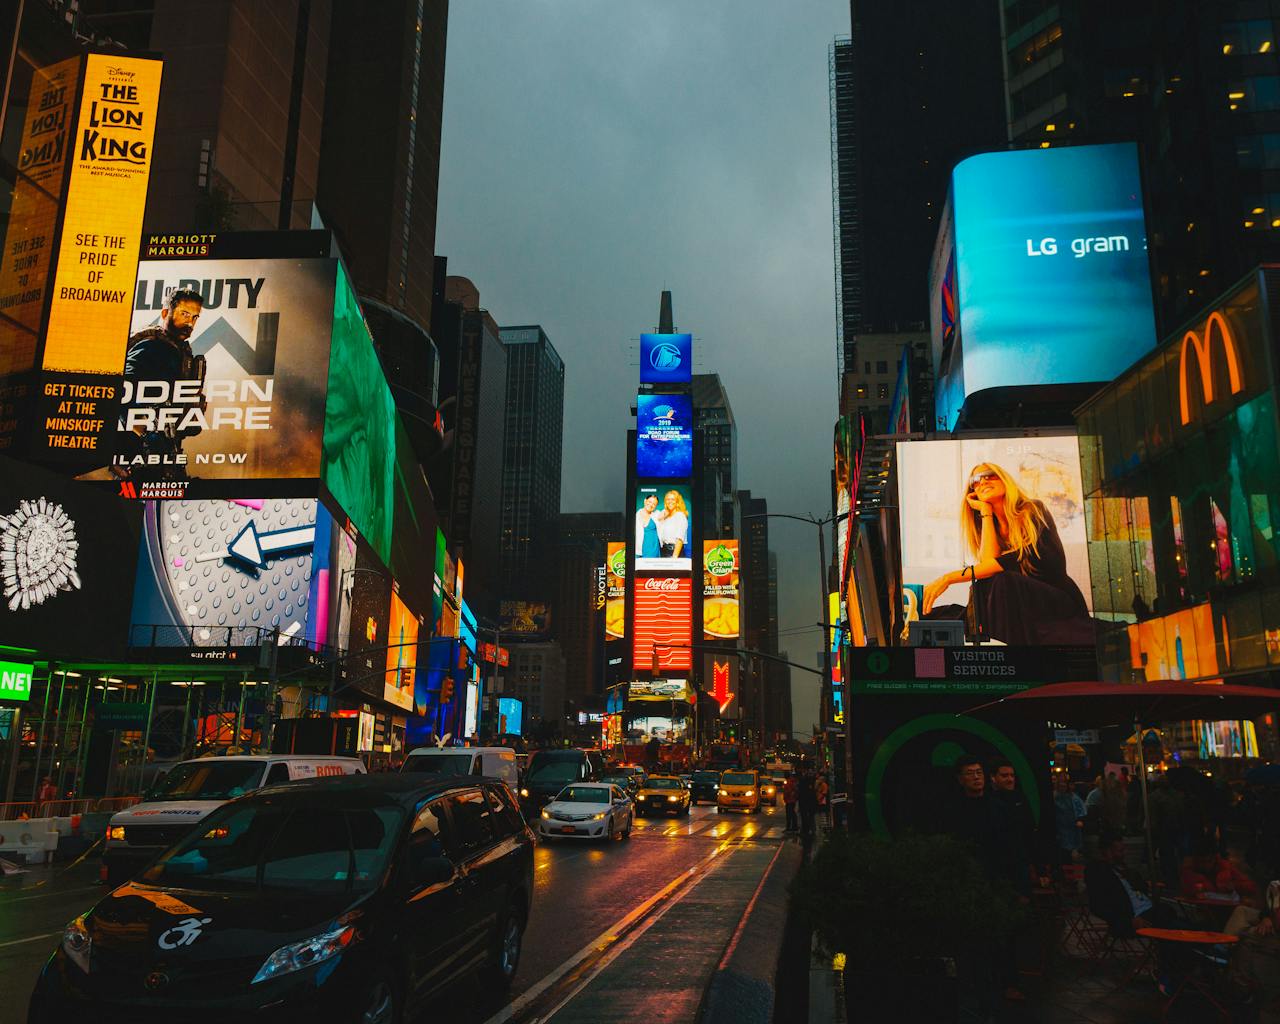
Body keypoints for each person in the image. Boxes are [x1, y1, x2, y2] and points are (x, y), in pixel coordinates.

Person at [921, 462, 1094, 645]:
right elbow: (988, 567)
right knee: (980, 588)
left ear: (1004, 480)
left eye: (989, 474)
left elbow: (1015, 559)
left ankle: (1010, 659)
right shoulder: (991, 528)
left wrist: (948, 578)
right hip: (1017, 605)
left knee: (1004, 581)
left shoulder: (1032, 510)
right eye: (975, 481)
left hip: (1056, 600)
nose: (983, 481)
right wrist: (986, 513)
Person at [117, 286, 207, 481]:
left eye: (194, 317)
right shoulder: (152, 345)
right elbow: (123, 390)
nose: (190, 322)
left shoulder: (177, 349)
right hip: (145, 449)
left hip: (165, 445)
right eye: (184, 314)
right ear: (166, 313)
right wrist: (144, 435)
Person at [940, 754, 1000, 876]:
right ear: (960, 779)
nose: (976, 777)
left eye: (979, 772)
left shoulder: (998, 807)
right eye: (970, 773)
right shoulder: (952, 810)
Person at [1052, 772, 1087, 865]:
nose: (1062, 785)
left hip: (1072, 827)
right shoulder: (1054, 797)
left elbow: (1081, 810)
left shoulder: (1073, 797)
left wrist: (1080, 819)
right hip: (1059, 828)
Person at [655, 489, 689, 559]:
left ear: (677, 502)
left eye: (673, 499)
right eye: (668, 499)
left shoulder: (680, 516)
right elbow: (658, 519)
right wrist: (665, 512)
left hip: (674, 552)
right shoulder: (666, 516)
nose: (670, 501)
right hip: (664, 551)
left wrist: (674, 557)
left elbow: (680, 538)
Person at [635, 495, 662, 560]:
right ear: (645, 501)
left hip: (653, 548)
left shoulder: (657, 514)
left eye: (654, 504)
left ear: (656, 506)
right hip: (639, 549)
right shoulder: (636, 514)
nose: (651, 505)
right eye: (650, 502)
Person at [798, 768, 818, 840]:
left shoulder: (807, 782)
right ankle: (808, 830)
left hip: (807, 803)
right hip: (807, 803)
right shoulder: (809, 782)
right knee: (807, 817)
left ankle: (807, 830)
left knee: (808, 817)